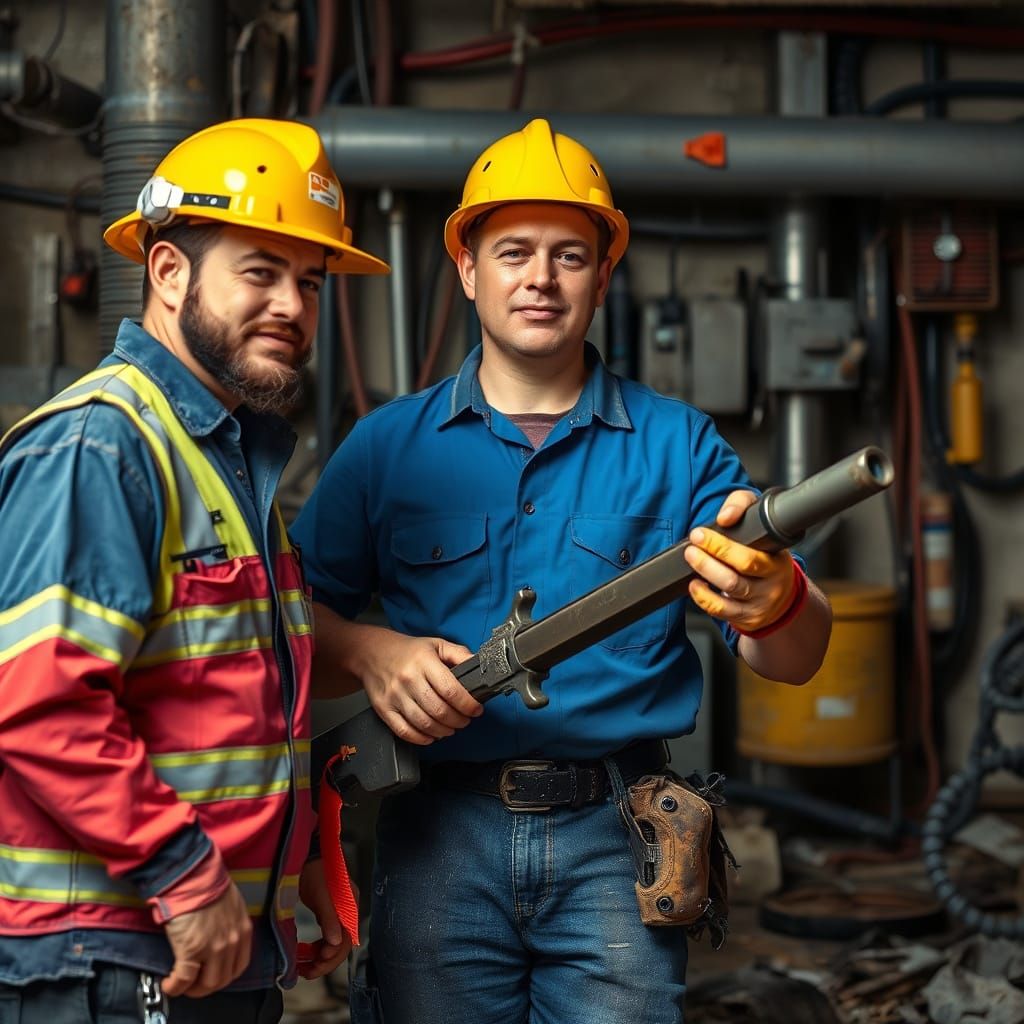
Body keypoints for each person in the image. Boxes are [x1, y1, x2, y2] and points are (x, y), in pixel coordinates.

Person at [293, 118, 832, 1024]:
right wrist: (377, 653)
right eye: (513, 252)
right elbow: (283, 620)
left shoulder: (680, 446)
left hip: (617, 838)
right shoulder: (387, 447)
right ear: (469, 270)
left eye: (569, 256)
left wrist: (781, 602)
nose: (539, 279)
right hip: (435, 835)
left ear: (603, 274)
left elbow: (795, 658)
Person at [0, 118, 388, 1022]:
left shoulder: (223, 460)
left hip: (211, 945)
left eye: (310, 280)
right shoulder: (104, 445)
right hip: (104, 953)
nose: (292, 304)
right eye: (260, 271)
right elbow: (40, 702)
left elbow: (224, 708)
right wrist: (185, 876)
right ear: (169, 271)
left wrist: (277, 882)